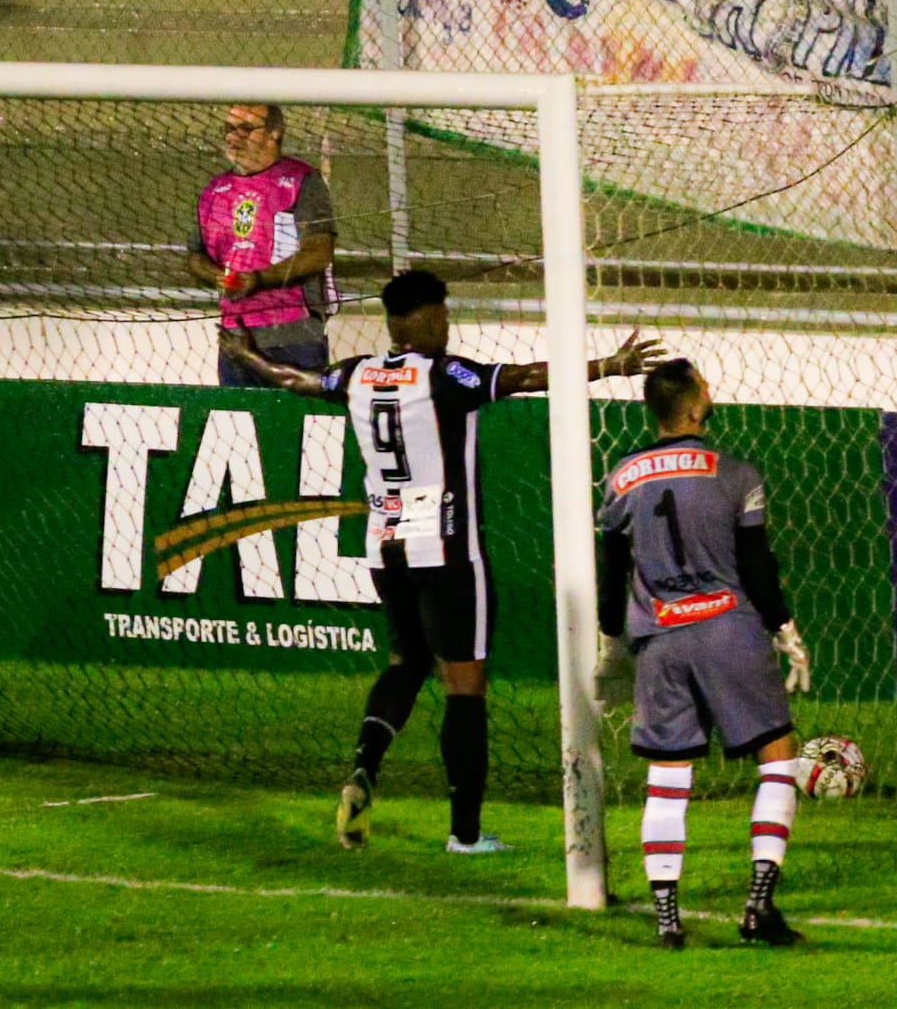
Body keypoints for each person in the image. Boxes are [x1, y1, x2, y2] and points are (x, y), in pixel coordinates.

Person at [220, 268, 664, 853]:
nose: (448, 326)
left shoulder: (357, 374)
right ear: (425, 318)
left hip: (385, 544)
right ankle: (465, 833)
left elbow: (296, 380)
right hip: (448, 551)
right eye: (445, 316)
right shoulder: (443, 376)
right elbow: (527, 377)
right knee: (465, 686)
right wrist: (609, 366)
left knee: (406, 662)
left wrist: (248, 356)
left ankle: (364, 769)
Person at [595, 357, 815, 949]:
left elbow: (611, 570)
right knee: (778, 758)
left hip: (660, 641)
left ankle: (668, 921)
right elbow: (757, 568)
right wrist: (786, 631)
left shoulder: (622, 477)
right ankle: (758, 905)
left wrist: (612, 645)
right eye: (706, 388)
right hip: (729, 631)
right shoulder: (736, 474)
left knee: (668, 780)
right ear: (693, 406)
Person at [189, 103, 337, 386]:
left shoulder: (301, 181)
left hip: (294, 334)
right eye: (229, 129)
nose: (234, 137)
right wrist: (216, 275)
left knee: (290, 424)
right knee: (237, 425)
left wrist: (258, 279)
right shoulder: (213, 190)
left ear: (275, 134)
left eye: (246, 129)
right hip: (235, 335)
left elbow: (319, 252)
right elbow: (195, 256)